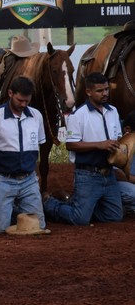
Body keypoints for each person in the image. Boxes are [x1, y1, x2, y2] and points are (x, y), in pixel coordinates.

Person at [44, 72, 124, 225]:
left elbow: (118, 137)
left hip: (109, 174)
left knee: (114, 216)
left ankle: (82, 206)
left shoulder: (113, 111)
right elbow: (70, 145)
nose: (105, 93)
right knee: (79, 219)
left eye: (106, 89)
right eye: (100, 91)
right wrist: (99, 144)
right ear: (88, 91)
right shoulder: (78, 115)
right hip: (88, 174)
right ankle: (49, 203)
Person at [0, 76, 47, 234]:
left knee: (38, 226)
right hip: (1, 180)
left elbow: (38, 146)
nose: (23, 104)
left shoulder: (37, 116)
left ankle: (6, 208)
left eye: (27, 101)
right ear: (10, 93)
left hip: (28, 180)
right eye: (20, 100)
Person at [115, 112, 135, 214]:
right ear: (127, 129)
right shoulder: (115, 137)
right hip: (110, 183)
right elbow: (116, 173)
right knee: (133, 193)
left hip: (130, 182)